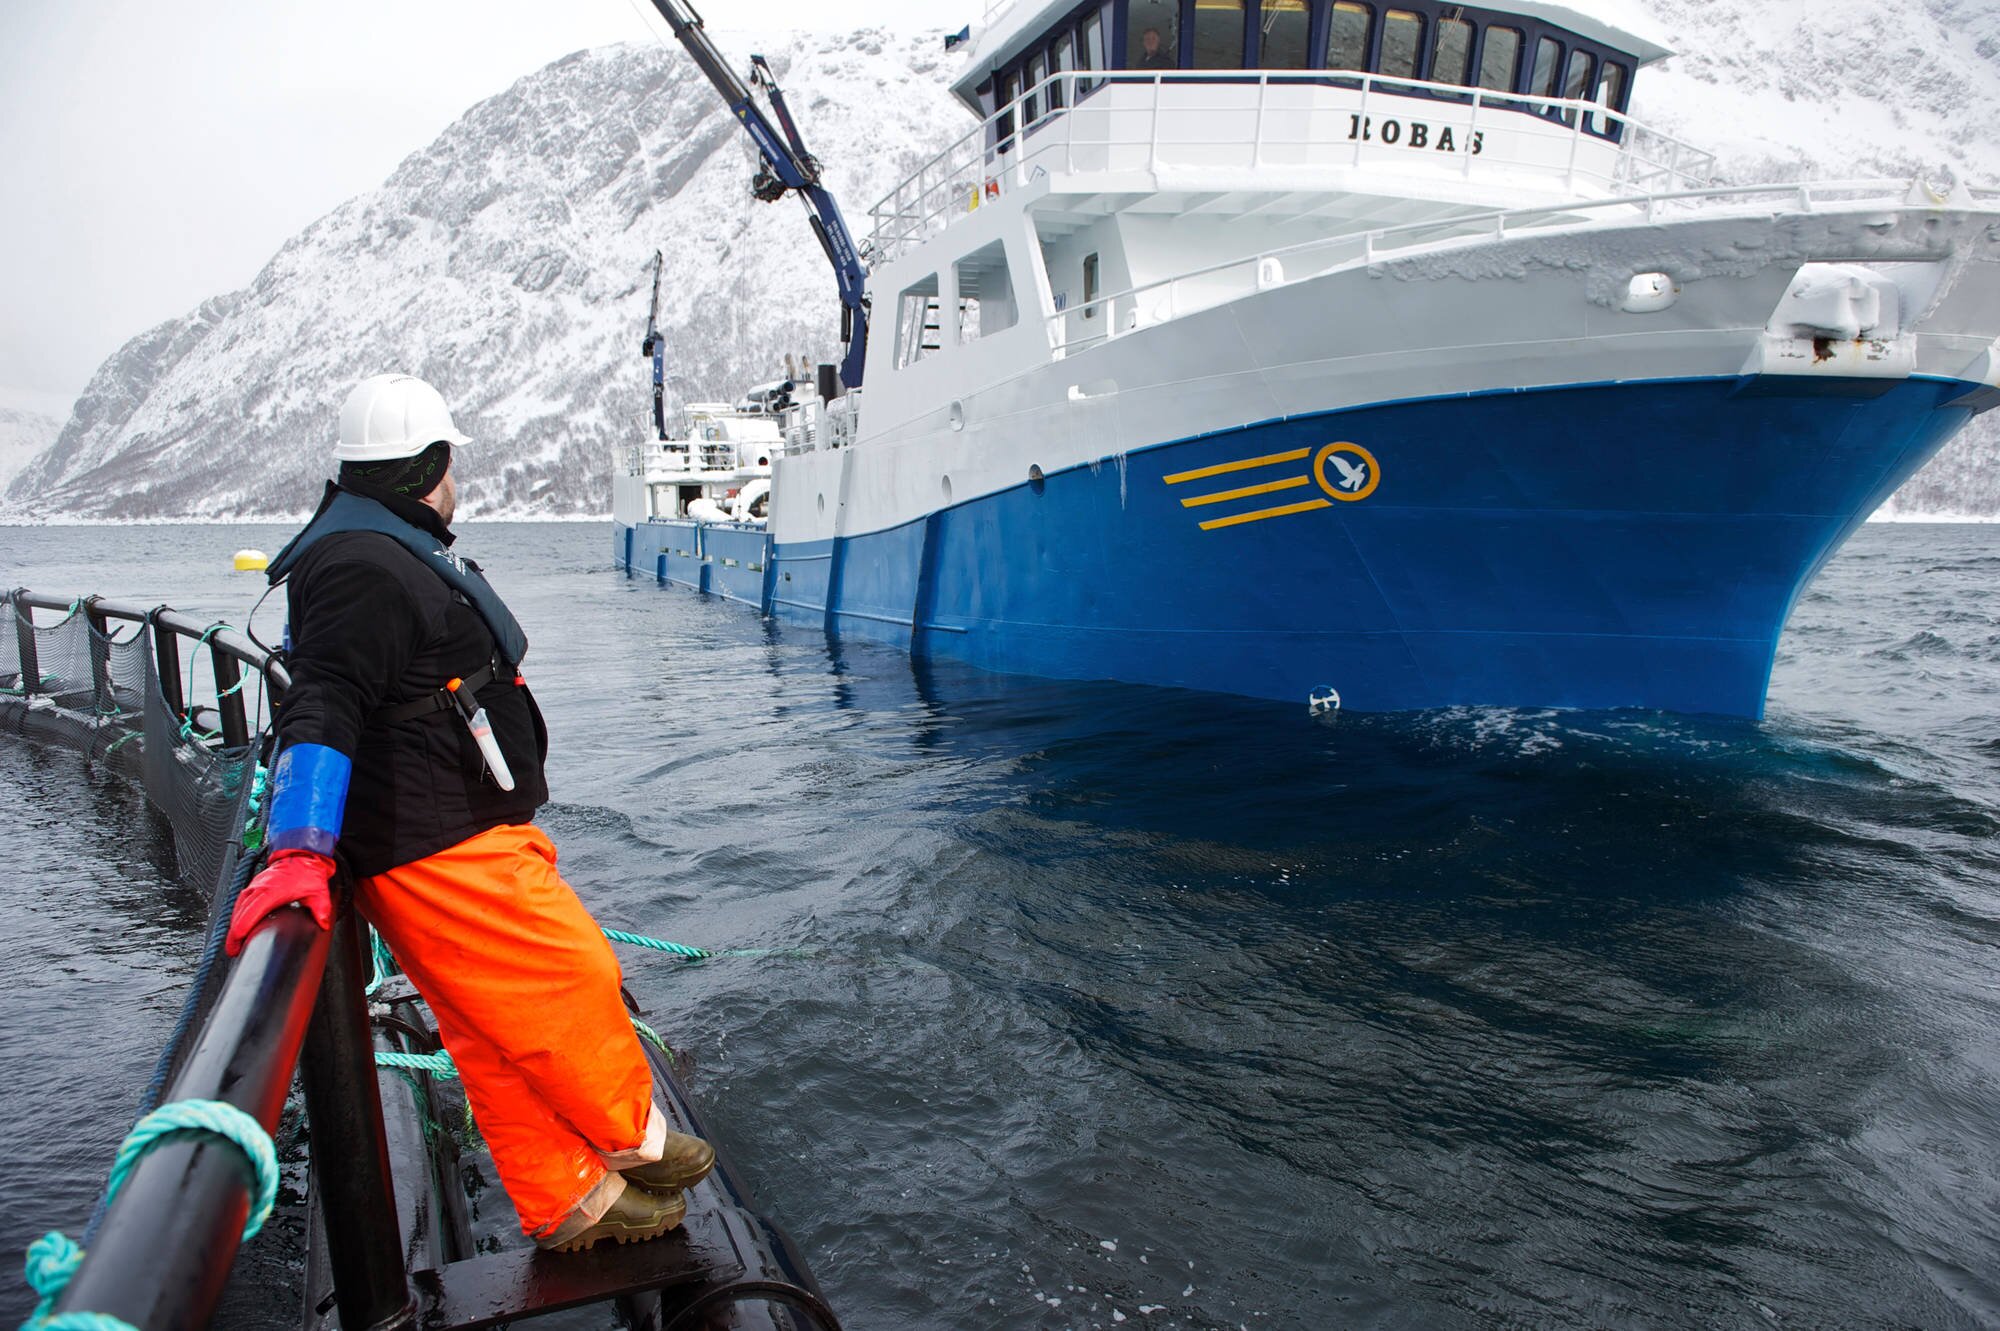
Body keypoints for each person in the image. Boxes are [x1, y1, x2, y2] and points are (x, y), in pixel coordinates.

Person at [225, 373, 712, 1252]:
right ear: (431, 466)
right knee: (574, 972)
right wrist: (296, 848)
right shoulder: (364, 566)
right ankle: (633, 1136)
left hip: (445, 821)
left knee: (487, 1029)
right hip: (433, 838)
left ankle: (570, 1199)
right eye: (451, 463)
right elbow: (324, 700)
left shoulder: (381, 546)